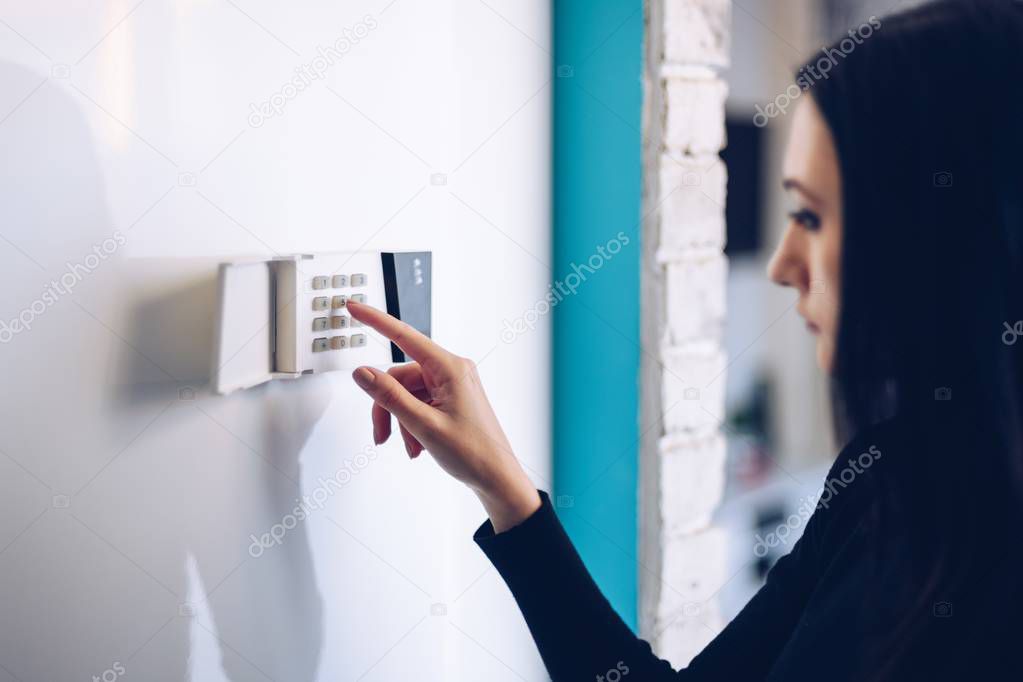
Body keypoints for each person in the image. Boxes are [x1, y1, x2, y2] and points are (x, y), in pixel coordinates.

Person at [346, 1, 1023, 679]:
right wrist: (504, 489)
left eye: (810, 216)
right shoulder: (887, 480)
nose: (782, 264)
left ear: (949, 232)